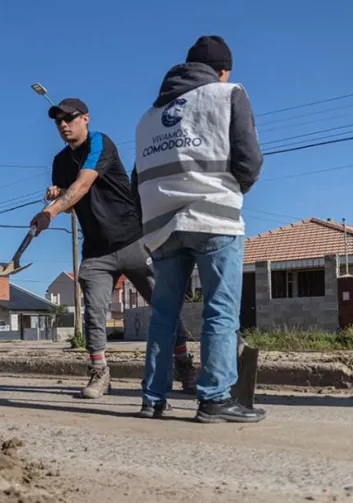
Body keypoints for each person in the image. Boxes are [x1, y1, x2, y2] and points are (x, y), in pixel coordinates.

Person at [133, 35, 265, 423]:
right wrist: (234, 189)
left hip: (161, 227)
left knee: (163, 316)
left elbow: (136, 178)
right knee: (220, 311)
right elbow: (249, 157)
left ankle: (153, 398)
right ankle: (214, 399)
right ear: (222, 71)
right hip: (212, 216)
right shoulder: (227, 94)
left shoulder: (147, 117)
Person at [30, 98, 195, 399]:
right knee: (94, 312)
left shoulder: (100, 143)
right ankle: (100, 373)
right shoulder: (59, 162)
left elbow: (82, 186)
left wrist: (51, 210)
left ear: (86, 118)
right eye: (58, 121)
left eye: (70, 118)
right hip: (96, 251)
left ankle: (184, 365)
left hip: (133, 240)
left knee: (165, 305)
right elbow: (72, 200)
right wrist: (57, 196)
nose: (64, 125)